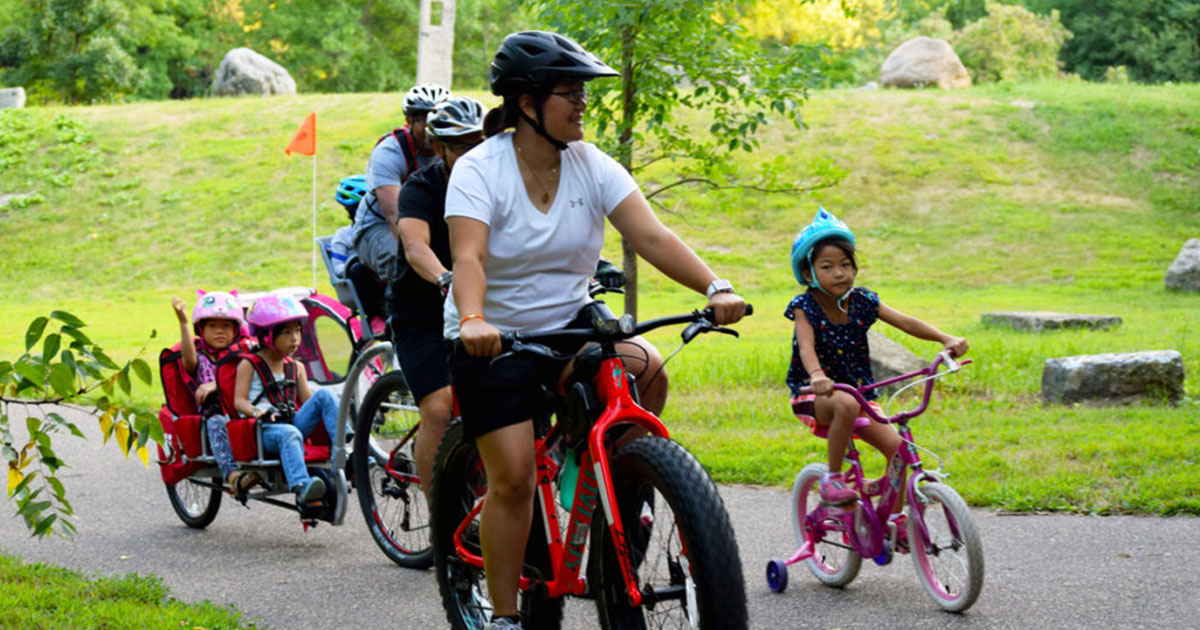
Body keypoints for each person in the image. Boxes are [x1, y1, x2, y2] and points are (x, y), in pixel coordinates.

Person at [444, 30, 746, 630]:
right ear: (528, 103)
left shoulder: (592, 164)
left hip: (568, 325)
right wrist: (474, 319)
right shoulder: (480, 170)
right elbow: (469, 258)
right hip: (495, 338)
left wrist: (715, 288)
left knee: (646, 367)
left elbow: (651, 236)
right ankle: (505, 615)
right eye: (569, 92)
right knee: (513, 480)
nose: (583, 103)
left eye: (584, 92)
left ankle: (614, 487)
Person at [786, 207, 968, 520]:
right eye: (827, 267)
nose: (840, 273)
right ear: (808, 274)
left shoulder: (864, 301)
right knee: (843, 403)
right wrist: (816, 375)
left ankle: (893, 520)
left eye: (846, 265)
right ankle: (831, 479)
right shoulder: (805, 305)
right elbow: (806, 345)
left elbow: (906, 322)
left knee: (899, 452)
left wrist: (944, 338)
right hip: (815, 394)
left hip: (862, 396)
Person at [385, 95, 487, 498]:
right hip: (422, 312)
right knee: (440, 408)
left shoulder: (497, 184)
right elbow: (414, 247)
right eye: (462, 146)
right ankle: (440, 517)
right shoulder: (421, 188)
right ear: (440, 149)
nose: (473, 153)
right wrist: (445, 277)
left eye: (479, 143)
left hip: (479, 305)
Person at [234, 292, 344, 507]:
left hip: (291, 424)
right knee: (290, 432)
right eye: (286, 332)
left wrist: (329, 411)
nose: (295, 338)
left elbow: (311, 402)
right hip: (263, 430)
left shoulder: (296, 367)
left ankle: (346, 450)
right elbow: (239, 401)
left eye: (297, 331)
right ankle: (303, 488)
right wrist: (257, 412)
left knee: (325, 395)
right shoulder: (248, 365)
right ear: (266, 335)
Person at [352, 83, 451, 289]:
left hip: (429, 224)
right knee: (407, 264)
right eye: (424, 119)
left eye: (438, 118)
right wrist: (421, 257)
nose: (431, 127)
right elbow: (395, 216)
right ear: (409, 120)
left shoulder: (450, 150)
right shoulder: (390, 153)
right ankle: (395, 316)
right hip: (378, 227)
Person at [171, 291, 259, 495]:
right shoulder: (200, 358)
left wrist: (217, 384)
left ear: (236, 329)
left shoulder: (242, 356)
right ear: (201, 329)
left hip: (243, 409)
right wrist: (184, 323)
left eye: (226, 326)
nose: (219, 331)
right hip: (216, 413)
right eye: (212, 326)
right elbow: (188, 361)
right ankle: (234, 477)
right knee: (215, 422)